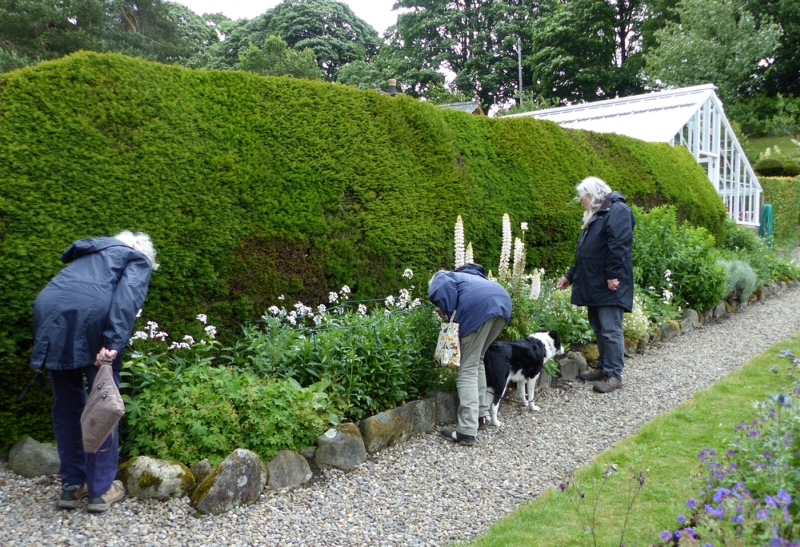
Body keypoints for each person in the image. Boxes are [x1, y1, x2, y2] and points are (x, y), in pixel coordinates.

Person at [30, 231, 158, 512]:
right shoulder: (137, 259)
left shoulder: (91, 254)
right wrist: (112, 343)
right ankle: (100, 490)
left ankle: (71, 485)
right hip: (94, 320)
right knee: (104, 403)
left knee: (67, 403)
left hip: (50, 312)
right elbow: (126, 300)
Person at [557, 177, 635, 393]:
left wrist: (613, 275)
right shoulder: (599, 213)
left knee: (610, 329)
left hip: (609, 283)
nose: (581, 202)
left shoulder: (617, 211)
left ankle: (614, 374)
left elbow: (619, 246)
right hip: (595, 283)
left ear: (591, 196)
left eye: (582, 198)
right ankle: (603, 367)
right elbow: (586, 253)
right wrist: (570, 275)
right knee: (599, 328)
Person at [428, 263, 511, 446]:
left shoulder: (444, 276)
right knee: (477, 359)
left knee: (466, 369)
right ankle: (481, 415)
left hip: (479, 310)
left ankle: (466, 430)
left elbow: (441, 289)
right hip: (503, 304)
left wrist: (446, 310)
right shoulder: (472, 278)